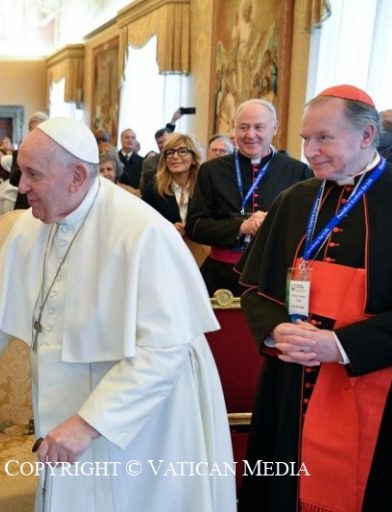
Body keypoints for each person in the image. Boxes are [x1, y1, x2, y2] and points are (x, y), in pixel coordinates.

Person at [0, 117, 236, 512]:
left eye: (33, 174)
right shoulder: (33, 225)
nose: (22, 186)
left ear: (77, 176)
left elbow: (162, 351)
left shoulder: (142, 232)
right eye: (21, 172)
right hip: (71, 408)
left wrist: (89, 424)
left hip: (142, 417)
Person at [236, 85, 392, 511]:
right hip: (290, 385)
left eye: (324, 137)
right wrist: (275, 329)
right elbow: (253, 288)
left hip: (372, 383)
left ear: (366, 135)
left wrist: (341, 345)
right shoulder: (296, 199)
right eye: (306, 138)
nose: (310, 151)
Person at [186, 99, 312, 295]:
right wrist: (241, 227)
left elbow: (308, 227)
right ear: (234, 129)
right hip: (222, 276)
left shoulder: (297, 171)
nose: (250, 135)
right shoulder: (212, 170)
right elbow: (195, 227)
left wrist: (272, 223)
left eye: (259, 127)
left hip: (274, 277)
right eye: (243, 127)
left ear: (275, 128)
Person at [141, 133, 209, 265]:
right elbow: (144, 224)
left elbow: (213, 221)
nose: (175, 157)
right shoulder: (153, 189)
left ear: (194, 159)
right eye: (170, 152)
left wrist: (190, 229)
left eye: (182, 151)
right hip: (164, 257)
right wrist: (169, 229)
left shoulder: (206, 187)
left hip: (200, 257)